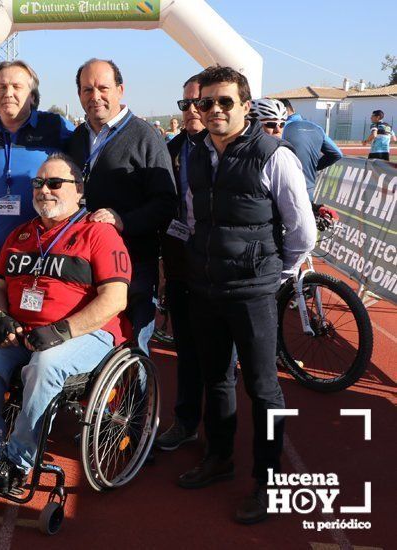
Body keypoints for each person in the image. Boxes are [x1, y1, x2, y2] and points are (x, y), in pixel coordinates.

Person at [178, 66, 315, 525]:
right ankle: (219, 458)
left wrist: (275, 272)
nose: (213, 110)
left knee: (263, 387)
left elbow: (302, 231)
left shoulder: (274, 155)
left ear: (245, 105)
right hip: (206, 285)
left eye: (224, 102)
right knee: (216, 379)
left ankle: (269, 481)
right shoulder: (196, 154)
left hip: (253, 291)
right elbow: (196, 216)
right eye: (205, 103)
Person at [0, 153, 132, 491]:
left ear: (78, 190)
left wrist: (63, 330)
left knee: (46, 364)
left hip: (86, 334)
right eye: (38, 183)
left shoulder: (99, 234)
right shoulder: (20, 234)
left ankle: (18, 460)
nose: (44, 189)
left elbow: (114, 299)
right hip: (25, 332)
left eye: (54, 183)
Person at [67, 58, 177, 355]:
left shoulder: (145, 136)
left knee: (131, 349)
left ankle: (138, 402)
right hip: (83, 264)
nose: (95, 96)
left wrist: (123, 221)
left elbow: (166, 201)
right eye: (87, 89)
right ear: (78, 94)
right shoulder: (76, 138)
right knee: (87, 346)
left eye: (103, 87)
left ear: (120, 90)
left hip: (133, 265)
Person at [0, 60, 73, 327]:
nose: (8, 92)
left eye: (16, 86)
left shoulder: (54, 126)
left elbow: (86, 163)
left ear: (31, 95)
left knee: (39, 327)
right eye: (1, 87)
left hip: (42, 250)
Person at [154, 73, 216, 451]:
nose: (193, 110)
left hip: (221, 267)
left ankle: (220, 435)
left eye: (201, 102)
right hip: (180, 263)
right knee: (187, 350)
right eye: (186, 104)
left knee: (221, 356)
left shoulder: (231, 148)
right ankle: (187, 421)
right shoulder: (172, 148)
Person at [279, 98, 342, 201]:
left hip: (284, 188)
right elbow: (337, 154)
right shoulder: (316, 127)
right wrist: (315, 167)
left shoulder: (280, 128)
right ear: (293, 109)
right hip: (308, 188)